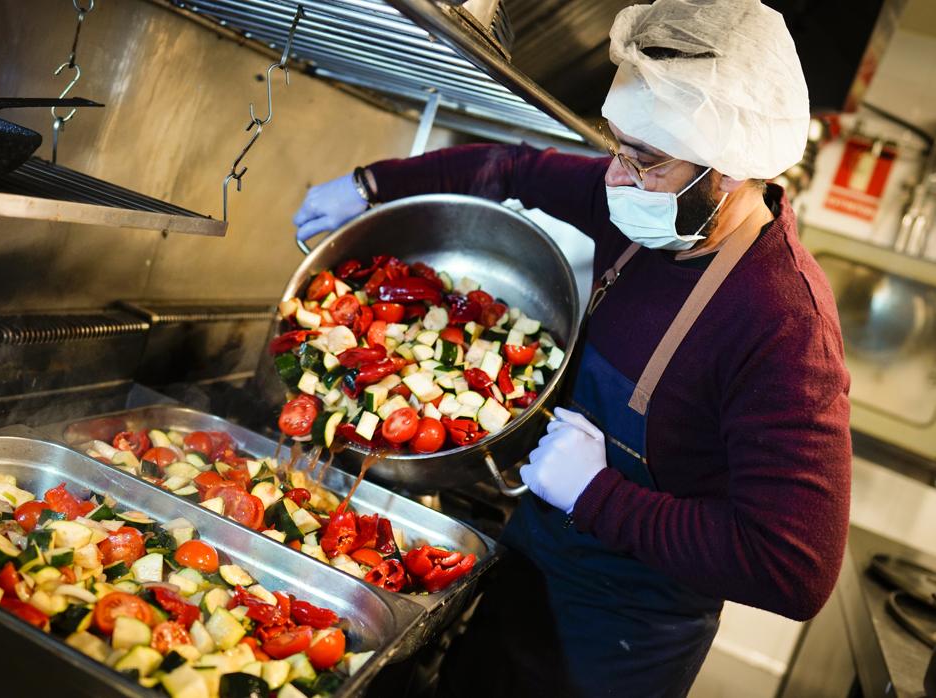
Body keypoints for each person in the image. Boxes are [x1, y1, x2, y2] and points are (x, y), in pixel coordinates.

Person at [292, 1, 851, 696]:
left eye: (643, 161)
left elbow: (792, 570)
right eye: (616, 146)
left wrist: (595, 494)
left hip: (616, 641)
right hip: (530, 559)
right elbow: (512, 169)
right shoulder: (652, 208)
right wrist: (372, 185)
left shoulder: (782, 327)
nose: (615, 177)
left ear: (730, 170)